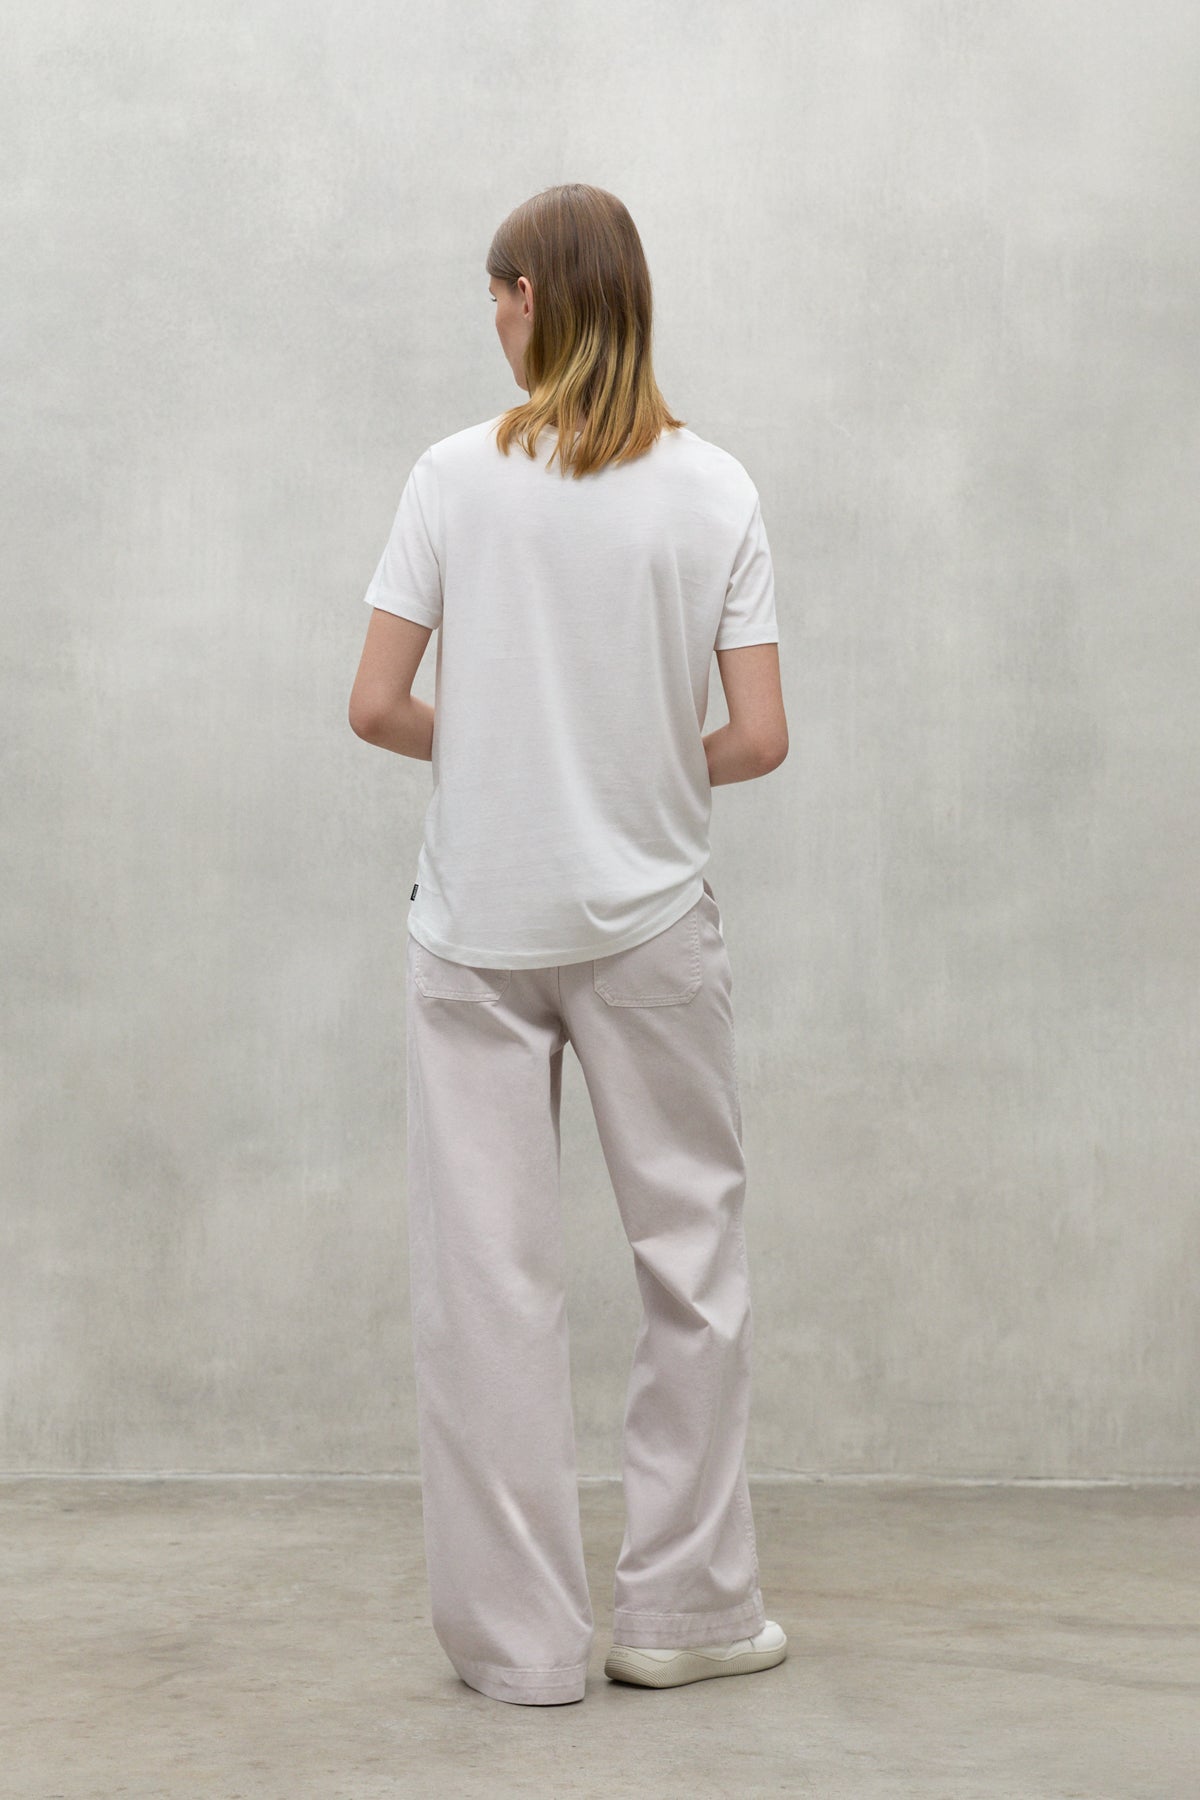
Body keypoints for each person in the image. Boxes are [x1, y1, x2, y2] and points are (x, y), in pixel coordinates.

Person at [349, 183, 790, 1706]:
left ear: (537, 298)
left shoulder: (451, 476)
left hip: (478, 925)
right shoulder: (716, 489)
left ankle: (521, 1648)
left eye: (499, 293)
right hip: (652, 921)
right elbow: (759, 736)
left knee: (487, 1282)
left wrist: (507, 750)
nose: (492, 319)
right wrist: (627, 762)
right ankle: (687, 1614)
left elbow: (375, 703)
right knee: (692, 1260)